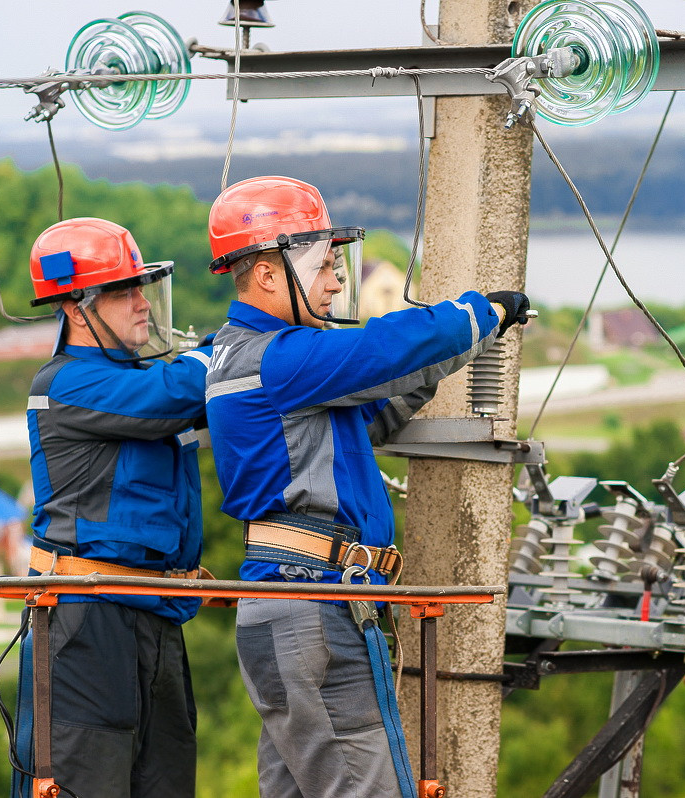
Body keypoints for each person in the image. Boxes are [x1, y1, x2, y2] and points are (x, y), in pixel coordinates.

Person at [203, 175, 531, 798]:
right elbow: (385, 348)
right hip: (315, 610)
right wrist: (483, 312)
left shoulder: (253, 358)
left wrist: (427, 372)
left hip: (292, 611)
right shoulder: (278, 356)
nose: (334, 282)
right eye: (323, 265)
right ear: (269, 275)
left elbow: (366, 416)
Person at [14, 217, 212, 798]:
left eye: (143, 287)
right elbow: (175, 395)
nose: (142, 303)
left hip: (156, 612)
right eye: (124, 291)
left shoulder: (136, 380)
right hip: (85, 620)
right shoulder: (67, 385)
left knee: (166, 779)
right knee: (84, 780)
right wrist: (222, 354)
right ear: (77, 308)